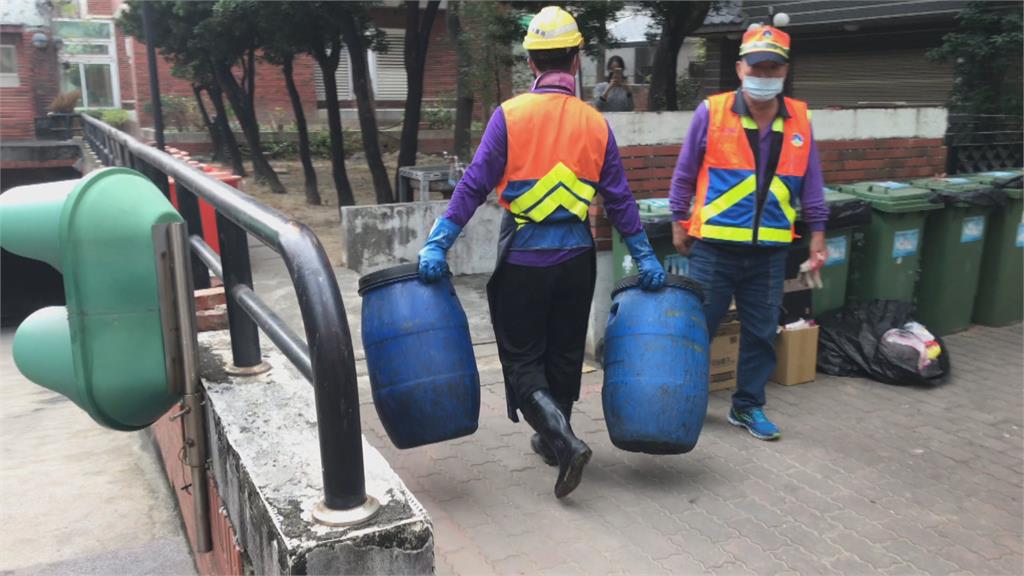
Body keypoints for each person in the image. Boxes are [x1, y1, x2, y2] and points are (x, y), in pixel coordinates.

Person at [417, 6, 666, 498]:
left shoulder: (509, 116)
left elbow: (472, 186)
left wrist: (439, 241)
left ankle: (563, 441)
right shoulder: (595, 123)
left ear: (531, 62)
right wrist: (646, 257)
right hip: (576, 259)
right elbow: (619, 201)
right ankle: (555, 439)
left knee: (522, 359)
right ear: (575, 61)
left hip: (525, 261)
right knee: (566, 353)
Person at [669, 24, 828, 441]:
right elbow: (685, 172)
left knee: (760, 333)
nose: (764, 74)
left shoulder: (800, 119)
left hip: (770, 251)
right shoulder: (713, 110)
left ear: (784, 72)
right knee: (697, 329)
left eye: (773, 67)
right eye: (757, 66)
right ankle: (687, 402)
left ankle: (747, 407)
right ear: (740, 68)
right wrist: (676, 220)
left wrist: (818, 235)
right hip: (714, 249)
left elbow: (812, 182)